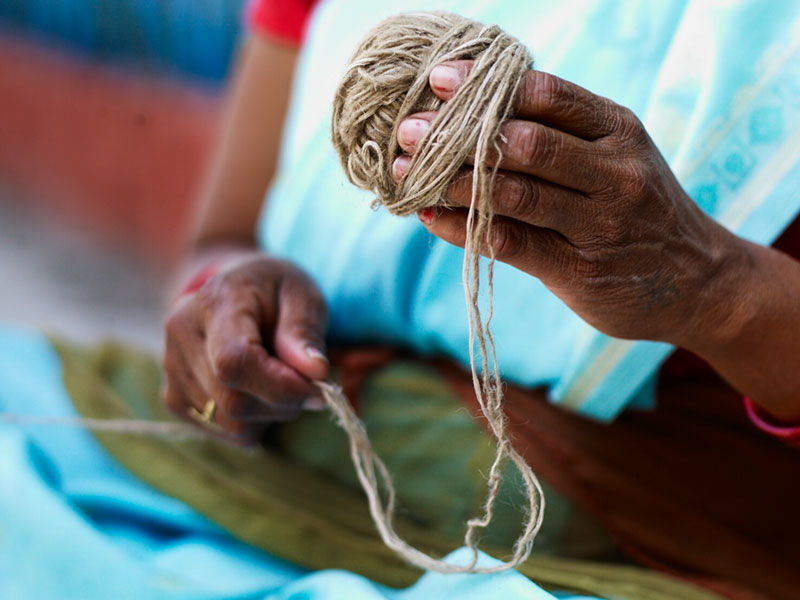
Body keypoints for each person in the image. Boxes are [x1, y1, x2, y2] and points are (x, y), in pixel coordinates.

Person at [1, 1, 798, 599]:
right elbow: (225, 236)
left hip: (633, 555)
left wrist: (713, 286)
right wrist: (231, 303)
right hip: (285, 470)